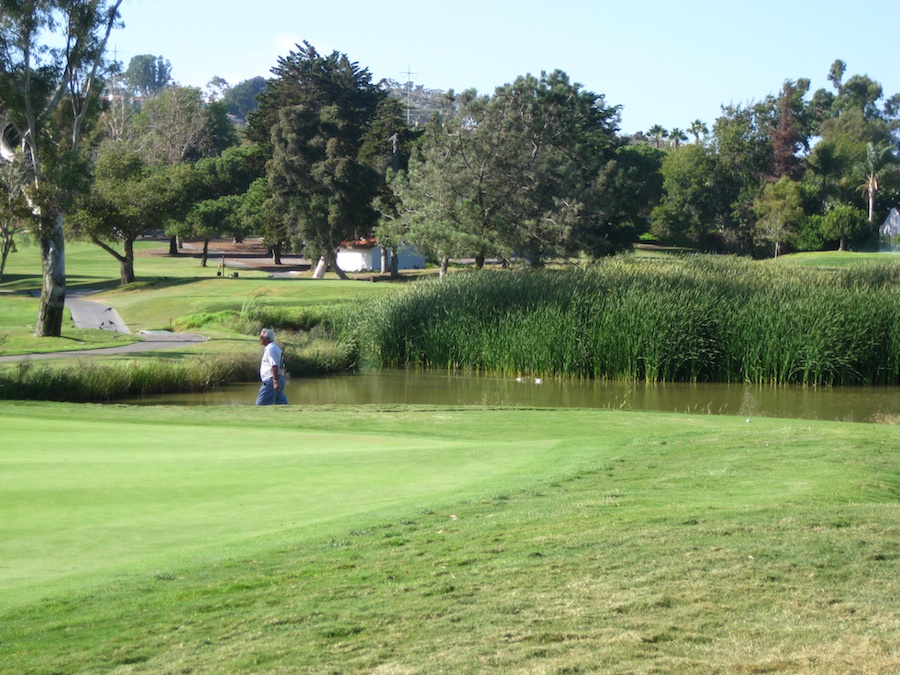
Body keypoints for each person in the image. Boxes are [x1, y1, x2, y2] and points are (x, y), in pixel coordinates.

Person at [256, 328, 288, 405]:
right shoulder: (275, 347)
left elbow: (274, 365)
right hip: (279, 378)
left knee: (261, 404)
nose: (260, 339)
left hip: (271, 379)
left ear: (267, 339)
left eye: (261, 337)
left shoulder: (270, 349)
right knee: (281, 403)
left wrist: (275, 381)